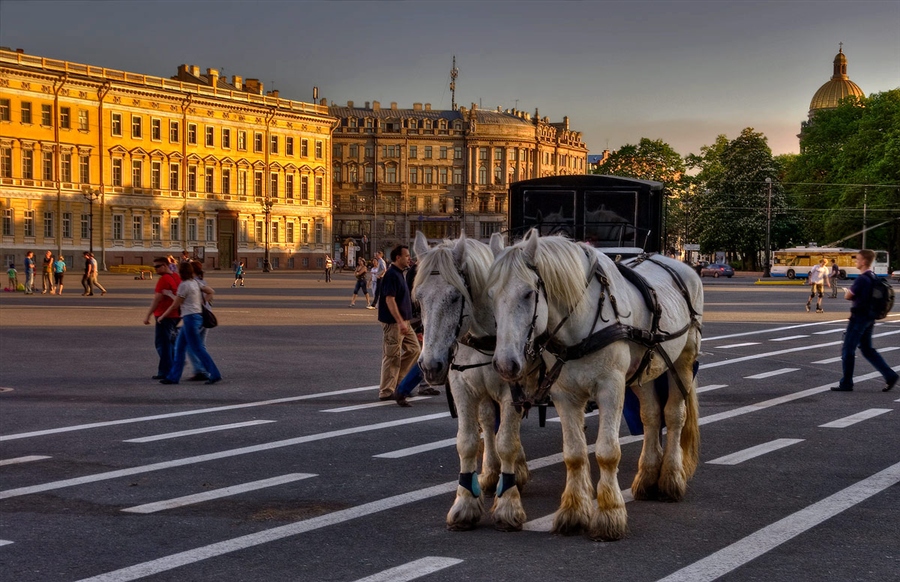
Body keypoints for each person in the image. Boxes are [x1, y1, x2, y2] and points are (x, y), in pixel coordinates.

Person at [833, 250, 899, 393]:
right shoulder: (873, 276)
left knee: (848, 350)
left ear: (863, 261)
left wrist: (847, 291)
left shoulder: (862, 279)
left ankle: (846, 383)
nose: (856, 262)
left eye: (857, 259)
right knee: (867, 349)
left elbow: (849, 296)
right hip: (869, 317)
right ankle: (890, 375)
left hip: (858, 318)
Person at [158, 261, 222, 385]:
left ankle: (214, 374)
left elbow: (176, 304)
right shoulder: (195, 283)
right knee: (179, 348)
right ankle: (173, 377)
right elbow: (210, 291)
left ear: (181, 272)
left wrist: (162, 316)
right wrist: (201, 302)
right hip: (196, 316)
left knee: (197, 348)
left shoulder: (184, 285)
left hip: (190, 319)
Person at [376, 245, 421, 402]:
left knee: (415, 350)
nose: (409, 258)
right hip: (394, 323)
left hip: (404, 322)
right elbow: (390, 299)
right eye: (406, 256)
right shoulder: (391, 275)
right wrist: (400, 321)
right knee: (392, 356)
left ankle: (398, 382)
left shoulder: (400, 273)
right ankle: (386, 391)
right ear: (398, 258)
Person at [143, 257, 182, 380]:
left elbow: (157, 299)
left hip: (164, 315)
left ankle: (166, 371)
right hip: (176, 315)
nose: (155, 269)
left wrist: (148, 315)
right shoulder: (176, 277)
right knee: (170, 343)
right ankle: (170, 368)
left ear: (165, 265)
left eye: (157, 266)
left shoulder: (163, 279)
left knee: (162, 344)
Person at [185, 260, 213, 381]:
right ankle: (206, 369)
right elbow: (210, 293)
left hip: (197, 316)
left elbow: (210, 292)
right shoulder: (202, 281)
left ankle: (199, 370)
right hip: (206, 315)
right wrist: (204, 302)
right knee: (201, 345)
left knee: (189, 344)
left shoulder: (193, 282)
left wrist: (200, 303)